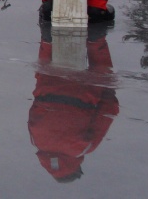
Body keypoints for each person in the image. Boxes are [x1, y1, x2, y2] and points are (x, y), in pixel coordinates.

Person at [27, 26, 119, 182]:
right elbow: (34, 111)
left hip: (82, 93)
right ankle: (47, 39)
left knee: (104, 79)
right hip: (49, 86)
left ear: (75, 167)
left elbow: (107, 112)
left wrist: (109, 94)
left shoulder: (82, 149)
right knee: (43, 73)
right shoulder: (36, 142)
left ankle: (96, 38)